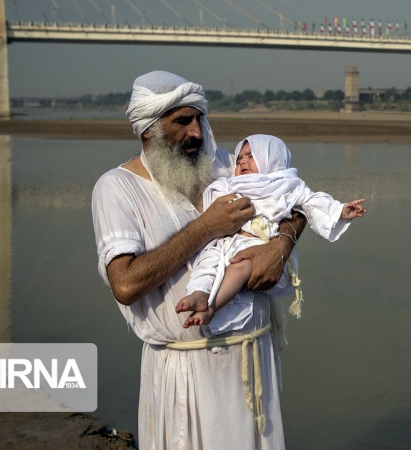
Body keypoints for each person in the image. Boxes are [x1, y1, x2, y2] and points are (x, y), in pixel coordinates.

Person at [91, 70, 306, 449]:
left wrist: (282, 243)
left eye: (199, 118)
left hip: (254, 356)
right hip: (185, 373)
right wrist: (206, 227)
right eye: (182, 121)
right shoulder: (117, 188)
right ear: (148, 131)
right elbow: (125, 284)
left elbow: (297, 196)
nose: (196, 132)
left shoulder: (225, 166)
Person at [175, 134, 366, 331]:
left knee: (240, 268)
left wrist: (340, 211)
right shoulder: (230, 184)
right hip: (226, 243)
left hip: (258, 246)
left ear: (271, 159)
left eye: (251, 156)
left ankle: (212, 307)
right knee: (207, 260)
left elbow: (314, 202)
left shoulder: (288, 185)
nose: (242, 162)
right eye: (239, 159)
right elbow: (215, 202)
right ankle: (199, 293)